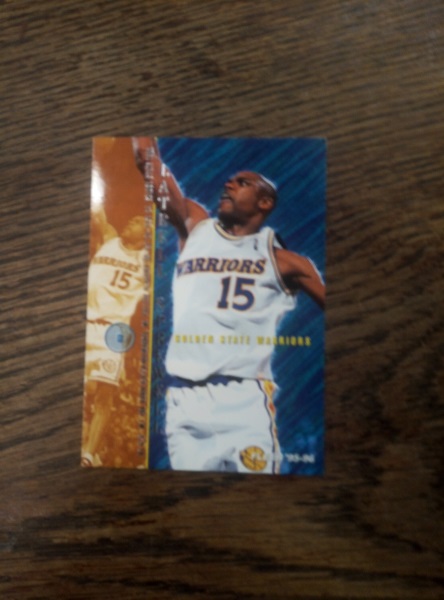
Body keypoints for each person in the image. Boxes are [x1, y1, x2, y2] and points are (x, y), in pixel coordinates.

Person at [133, 138, 325, 474]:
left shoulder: (287, 262)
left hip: (243, 400)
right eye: (230, 180)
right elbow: (147, 162)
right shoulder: (195, 227)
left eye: (243, 182)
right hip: (184, 399)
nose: (229, 183)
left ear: (265, 202)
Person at [81, 209, 145, 467]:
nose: (131, 220)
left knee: (104, 395)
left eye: (138, 221)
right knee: (86, 392)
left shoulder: (148, 261)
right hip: (86, 323)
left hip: (113, 331)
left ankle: (88, 455)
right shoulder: (109, 238)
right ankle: (90, 449)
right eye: (133, 217)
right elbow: (98, 214)